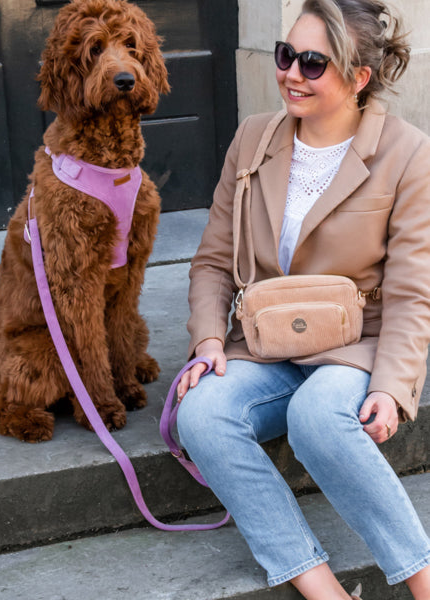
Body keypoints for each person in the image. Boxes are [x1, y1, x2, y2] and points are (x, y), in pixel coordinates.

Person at [175, 0, 430, 598]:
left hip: (354, 343)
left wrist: (393, 389)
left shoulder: (407, 153)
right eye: (286, 55)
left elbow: (413, 292)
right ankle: (321, 586)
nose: (291, 73)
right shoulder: (252, 139)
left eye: (313, 63)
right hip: (262, 340)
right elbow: (213, 259)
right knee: (202, 415)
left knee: (316, 417)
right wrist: (209, 338)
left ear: (359, 77)